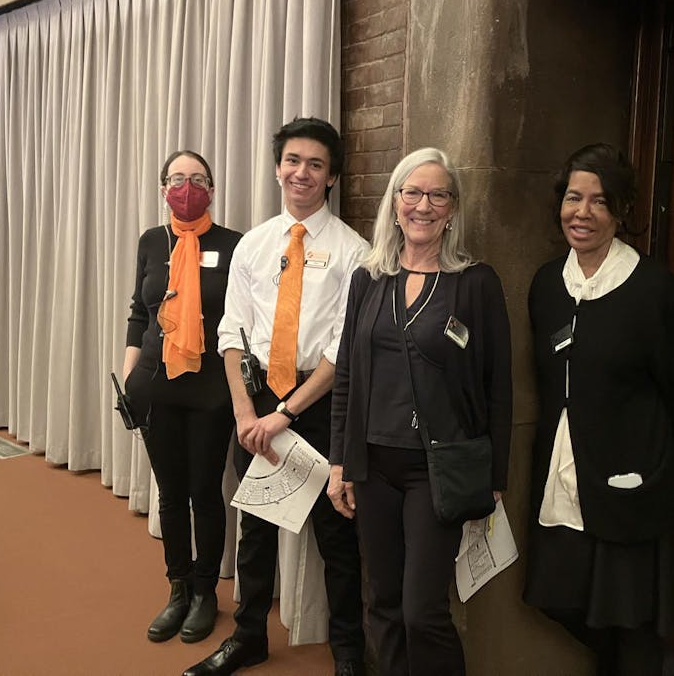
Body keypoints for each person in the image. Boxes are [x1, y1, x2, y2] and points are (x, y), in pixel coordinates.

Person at [183, 118, 368, 676]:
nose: (302, 173)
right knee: (257, 531)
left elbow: (342, 352)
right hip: (258, 406)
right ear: (277, 168)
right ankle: (249, 636)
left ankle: (350, 651)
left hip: (317, 408)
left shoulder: (354, 253)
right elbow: (232, 332)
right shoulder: (254, 246)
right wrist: (248, 413)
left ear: (332, 176)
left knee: (337, 536)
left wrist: (285, 414)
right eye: (293, 161)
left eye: (315, 164)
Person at [523, 143, 674, 676]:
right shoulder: (545, 285)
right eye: (574, 198)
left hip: (634, 478)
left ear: (620, 212)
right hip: (563, 476)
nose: (582, 213)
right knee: (562, 600)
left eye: (599, 202)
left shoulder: (650, 286)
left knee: (633, 629)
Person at [327, 147, 513, 676]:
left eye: (438, 195)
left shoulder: (476, 283)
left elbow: (499, 385)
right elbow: (346, 377)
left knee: (421, 612)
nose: (423, 205)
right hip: (373, 466)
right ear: (395, 202)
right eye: (413, 192)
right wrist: (340, 463)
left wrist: (495, 475)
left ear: (453, 208)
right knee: (383, 604)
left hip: (437, 469)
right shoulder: (368, 279)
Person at [123, 150, 242, 644]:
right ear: (162, 187)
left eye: (197, 179)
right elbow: (138, 312)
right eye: (177, 178)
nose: (187, 187)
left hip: (212, 387)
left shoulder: (235, 244)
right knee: (170, 495)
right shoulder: (152, 241)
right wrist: (131, 378)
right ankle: (177, 587)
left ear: (211, 189)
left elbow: (240, 320)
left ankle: (205, 593)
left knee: (204, 493)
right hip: (155, 383)